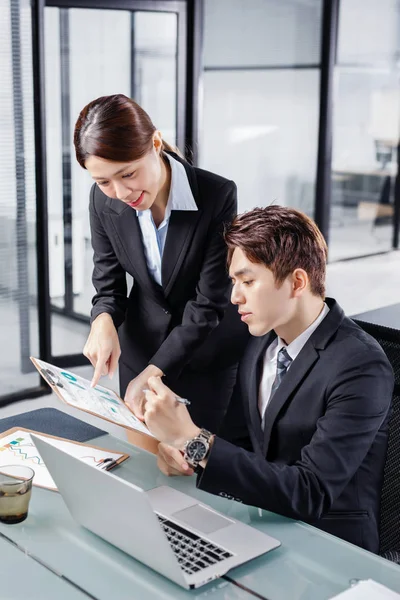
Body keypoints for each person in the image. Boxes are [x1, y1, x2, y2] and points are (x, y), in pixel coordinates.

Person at [141, 206, 394, 554]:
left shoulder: (361, 366)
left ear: (297, 282)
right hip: (260, 524)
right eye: (234, 282)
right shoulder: (260, 341)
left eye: (248, 281)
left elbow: (310, 492)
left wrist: (193, 437)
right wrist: (188, 452)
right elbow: (246, 444)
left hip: (331, 550)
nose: (234, 297)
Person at [73, 94, 248, 431]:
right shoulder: (101, 201)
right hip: (140, 350)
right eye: (103, 180)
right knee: (142, 466)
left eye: (128, 174)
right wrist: (103, 320)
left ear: (155, 143)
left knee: (198, 469)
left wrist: (155, 372)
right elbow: (108, 284)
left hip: (203, 356)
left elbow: (209, 303)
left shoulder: (216, 196)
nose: (121, 192)